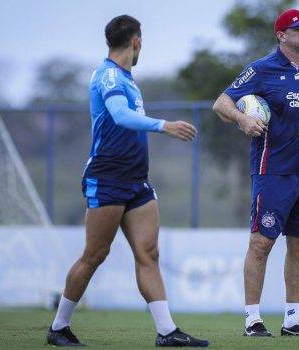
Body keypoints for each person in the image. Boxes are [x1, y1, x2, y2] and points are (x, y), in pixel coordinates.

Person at [46, 15, 209, 347]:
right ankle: (59, 327)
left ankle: (167, 332)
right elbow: (120, 116)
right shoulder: (108, 76)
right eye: (141, 40)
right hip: (107, 177)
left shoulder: (128, 78)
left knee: (148, 252)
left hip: (137, 181)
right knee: (95, 254)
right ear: (137, 41)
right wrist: (164, 126)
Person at [212, 8, 299, 337]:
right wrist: (243, 119)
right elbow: (221, 103)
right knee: (261, 244)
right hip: (273, 171)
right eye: (297, 28)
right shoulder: (262, 69)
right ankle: (252, 320)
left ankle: (292, 319)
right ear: (281, 35)